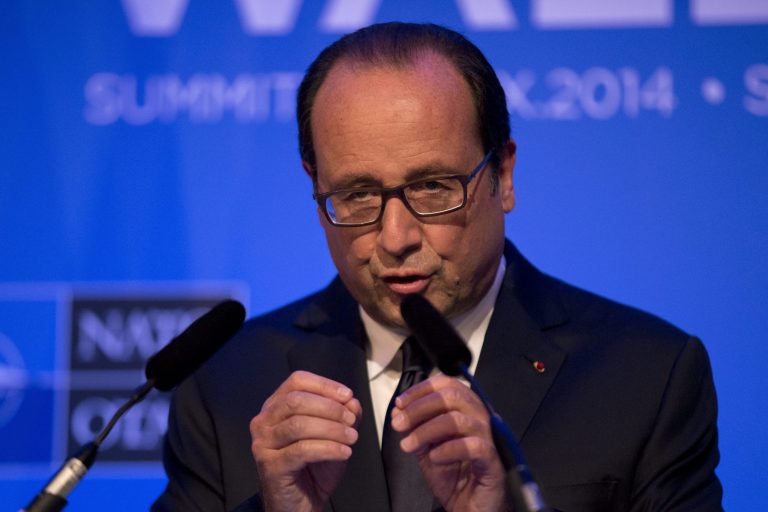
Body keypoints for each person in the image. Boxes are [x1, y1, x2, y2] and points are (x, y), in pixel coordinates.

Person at [152, 22, 722, 512]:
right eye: (356, 194)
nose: (395, 238)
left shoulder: (646, 376)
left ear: (503, 174)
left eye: (432, 187)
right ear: (315, 188)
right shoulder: (227, 385)